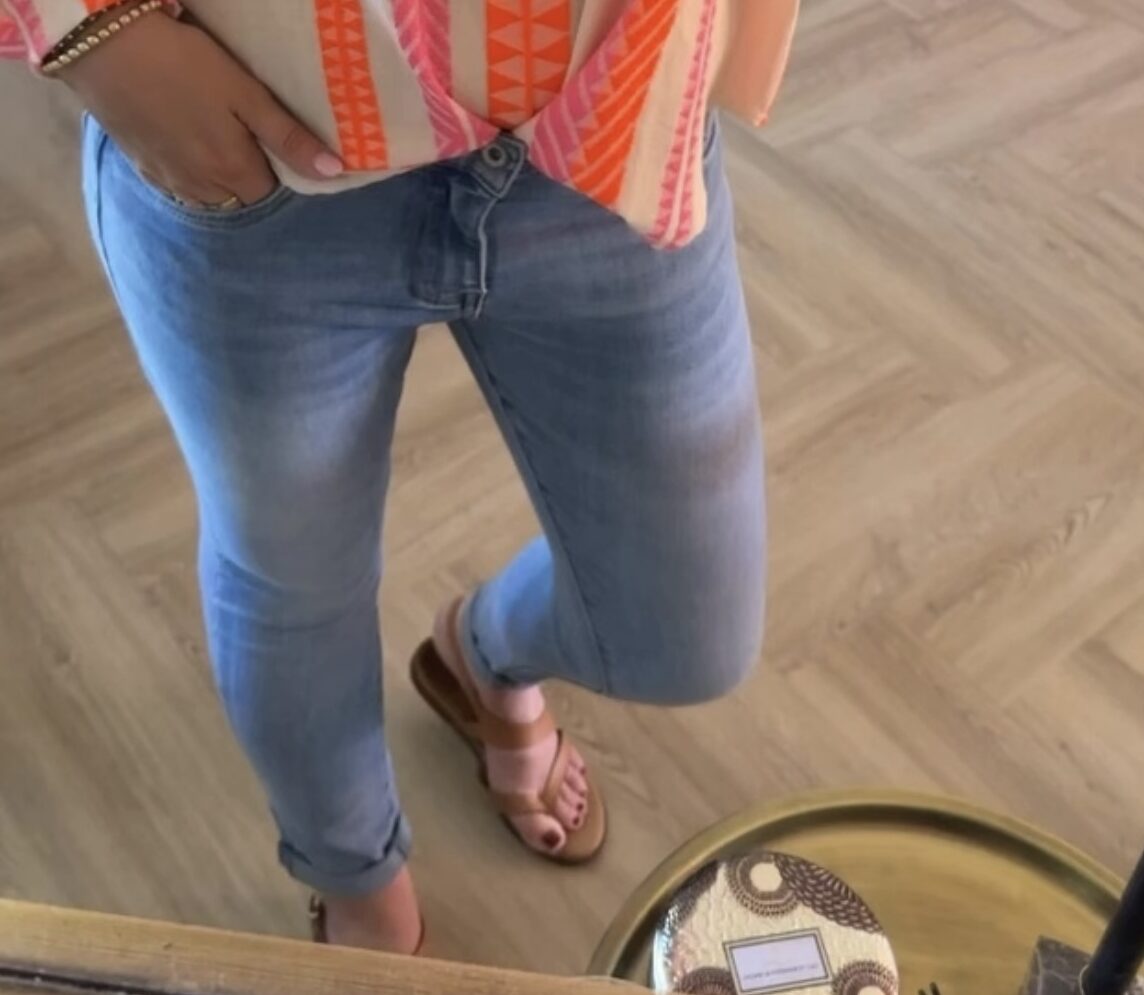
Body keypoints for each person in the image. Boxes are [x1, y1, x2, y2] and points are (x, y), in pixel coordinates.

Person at [2, 0, 798, 953]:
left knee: (685, 633)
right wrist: (87, 30)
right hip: (264, 132)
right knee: (291, 578)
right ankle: (354, 872)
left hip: (618, 111)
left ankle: (482, 653)